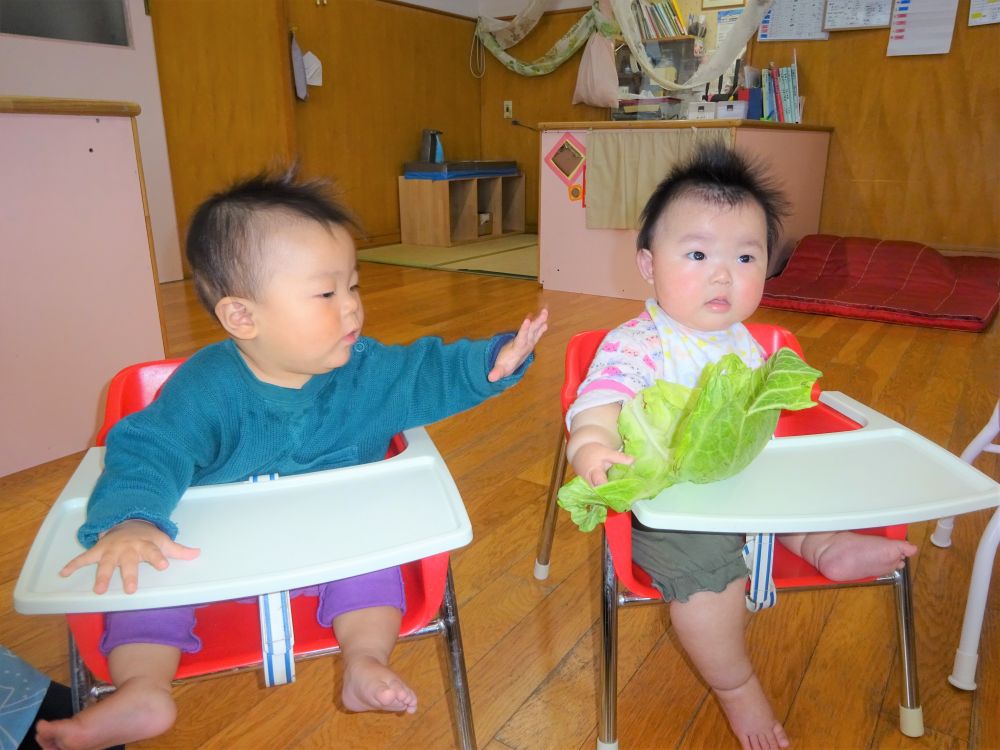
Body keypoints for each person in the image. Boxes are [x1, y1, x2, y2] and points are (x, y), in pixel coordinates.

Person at [36, 170, 548, 750]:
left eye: (353, 287)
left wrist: (490, 362)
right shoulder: (205, 390)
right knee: (143, 585)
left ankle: (364, 661)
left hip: (334, 544)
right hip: (210, 559)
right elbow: (151, 449)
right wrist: (134, 519)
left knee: (372, 569)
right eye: (327, 294)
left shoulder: (363, 372)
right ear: (242, 318)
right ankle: (142, 689)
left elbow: (422, 374)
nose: (352, 309)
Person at [565, 143, 915, 750]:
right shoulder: (638, 344)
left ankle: (822, 542)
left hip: (749, 489)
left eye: (746, 256)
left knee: (807, 498)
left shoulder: (752, 345)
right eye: (697, 254)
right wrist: (593, 446)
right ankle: (735, 686)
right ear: (648, 264)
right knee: (709, 584)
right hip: (668, 502)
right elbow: (598, 402)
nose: (722, 274)